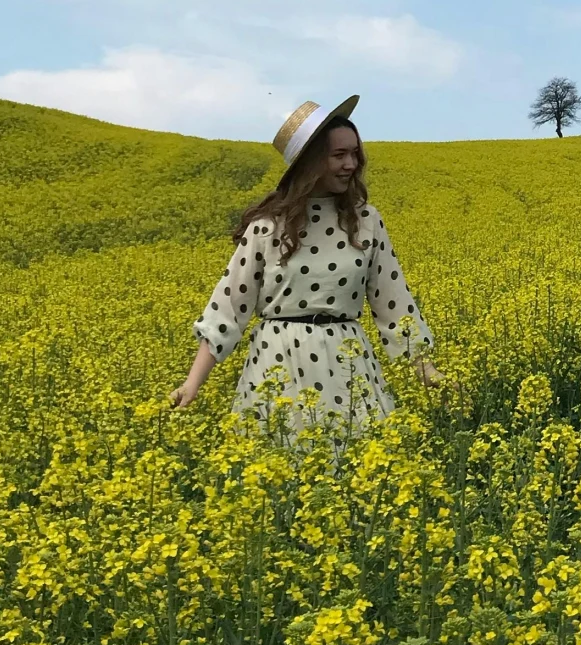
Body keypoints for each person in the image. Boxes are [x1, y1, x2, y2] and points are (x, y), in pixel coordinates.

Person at [170, 94, 437, 428]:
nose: (351, 164)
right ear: (310, 162)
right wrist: (192, 384)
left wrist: (427, 372)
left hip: (349, 366)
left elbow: (394, 304)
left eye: (355, 153)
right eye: (339, 155)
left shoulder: (366, 220)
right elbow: (226, 310)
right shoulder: (267, 227)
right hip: (276, 365)